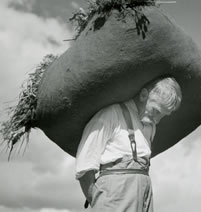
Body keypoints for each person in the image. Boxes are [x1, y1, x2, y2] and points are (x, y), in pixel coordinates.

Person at [75, 77, 182, 211]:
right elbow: (84, 167)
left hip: (145, 196)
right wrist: (99, 201)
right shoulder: (111, 115)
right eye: (156, 111)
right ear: (144, 95)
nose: (158, 120)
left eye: (163, 115)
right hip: (114, 196)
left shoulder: (150, 127)